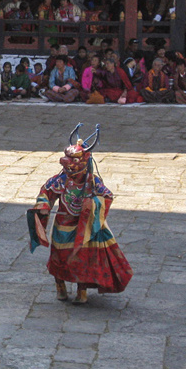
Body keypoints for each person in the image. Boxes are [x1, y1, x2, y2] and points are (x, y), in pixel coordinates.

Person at [27, 124, 133, 304]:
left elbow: (107, 195)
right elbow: (46, 192)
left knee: (83, 259)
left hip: (84, 227)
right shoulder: (61, 179)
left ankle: (81, 291)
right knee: (59, 257)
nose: (70, 169)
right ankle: (60, 287)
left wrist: (92, 204)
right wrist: (43, 204)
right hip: (63, 226)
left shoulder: (93, 182)